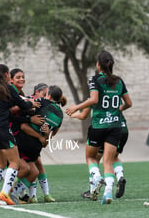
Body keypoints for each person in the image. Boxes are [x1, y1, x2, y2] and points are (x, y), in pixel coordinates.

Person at [66, 50, 132, 205]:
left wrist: (76, 107)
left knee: (90, 157)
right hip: (115, 125)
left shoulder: (95, 79)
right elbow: (129, 103)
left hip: (99, 125)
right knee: (108, 160)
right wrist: (115, 111)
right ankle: (108, 192)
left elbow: (94, 99)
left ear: (98, 64)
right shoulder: (119, 81)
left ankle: (96, 179)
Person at [0, 64, 37, 206]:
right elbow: (23, 106)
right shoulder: (8, 88)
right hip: (2, 128)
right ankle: (5, 193)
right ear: (6, 75)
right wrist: (31, 103)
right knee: (15, 162)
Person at [10, 85, 67, 203]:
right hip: (25, 144)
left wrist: (43, 136)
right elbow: (47, 140)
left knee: (34, 172)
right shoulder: (60, 115)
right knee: (29, 169)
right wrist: (44, 136)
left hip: (26, 144)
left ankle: (13, 193)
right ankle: (8, 192)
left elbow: (24, 123)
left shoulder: (41, 102)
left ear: (48, 95)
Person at [72, 107, 128, 199]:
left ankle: (94, 187)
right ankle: (120, 177)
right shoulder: (117, 93)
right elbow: (127, 104)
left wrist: (75, 110)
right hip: (122, 128)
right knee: (113, 157)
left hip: (103, 127)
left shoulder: (96, 94)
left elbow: (84, 114)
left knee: (93, 158)